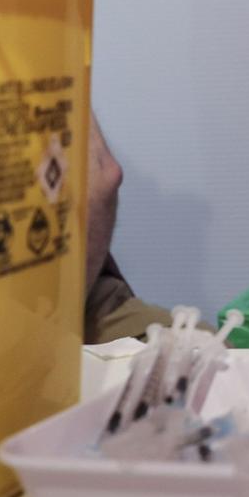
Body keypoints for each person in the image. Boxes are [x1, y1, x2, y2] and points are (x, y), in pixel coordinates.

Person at [79, 111, 180, 344]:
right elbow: (102, 176)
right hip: (62, 308)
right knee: (223, 364)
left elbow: (103, 178)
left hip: (59, 310)